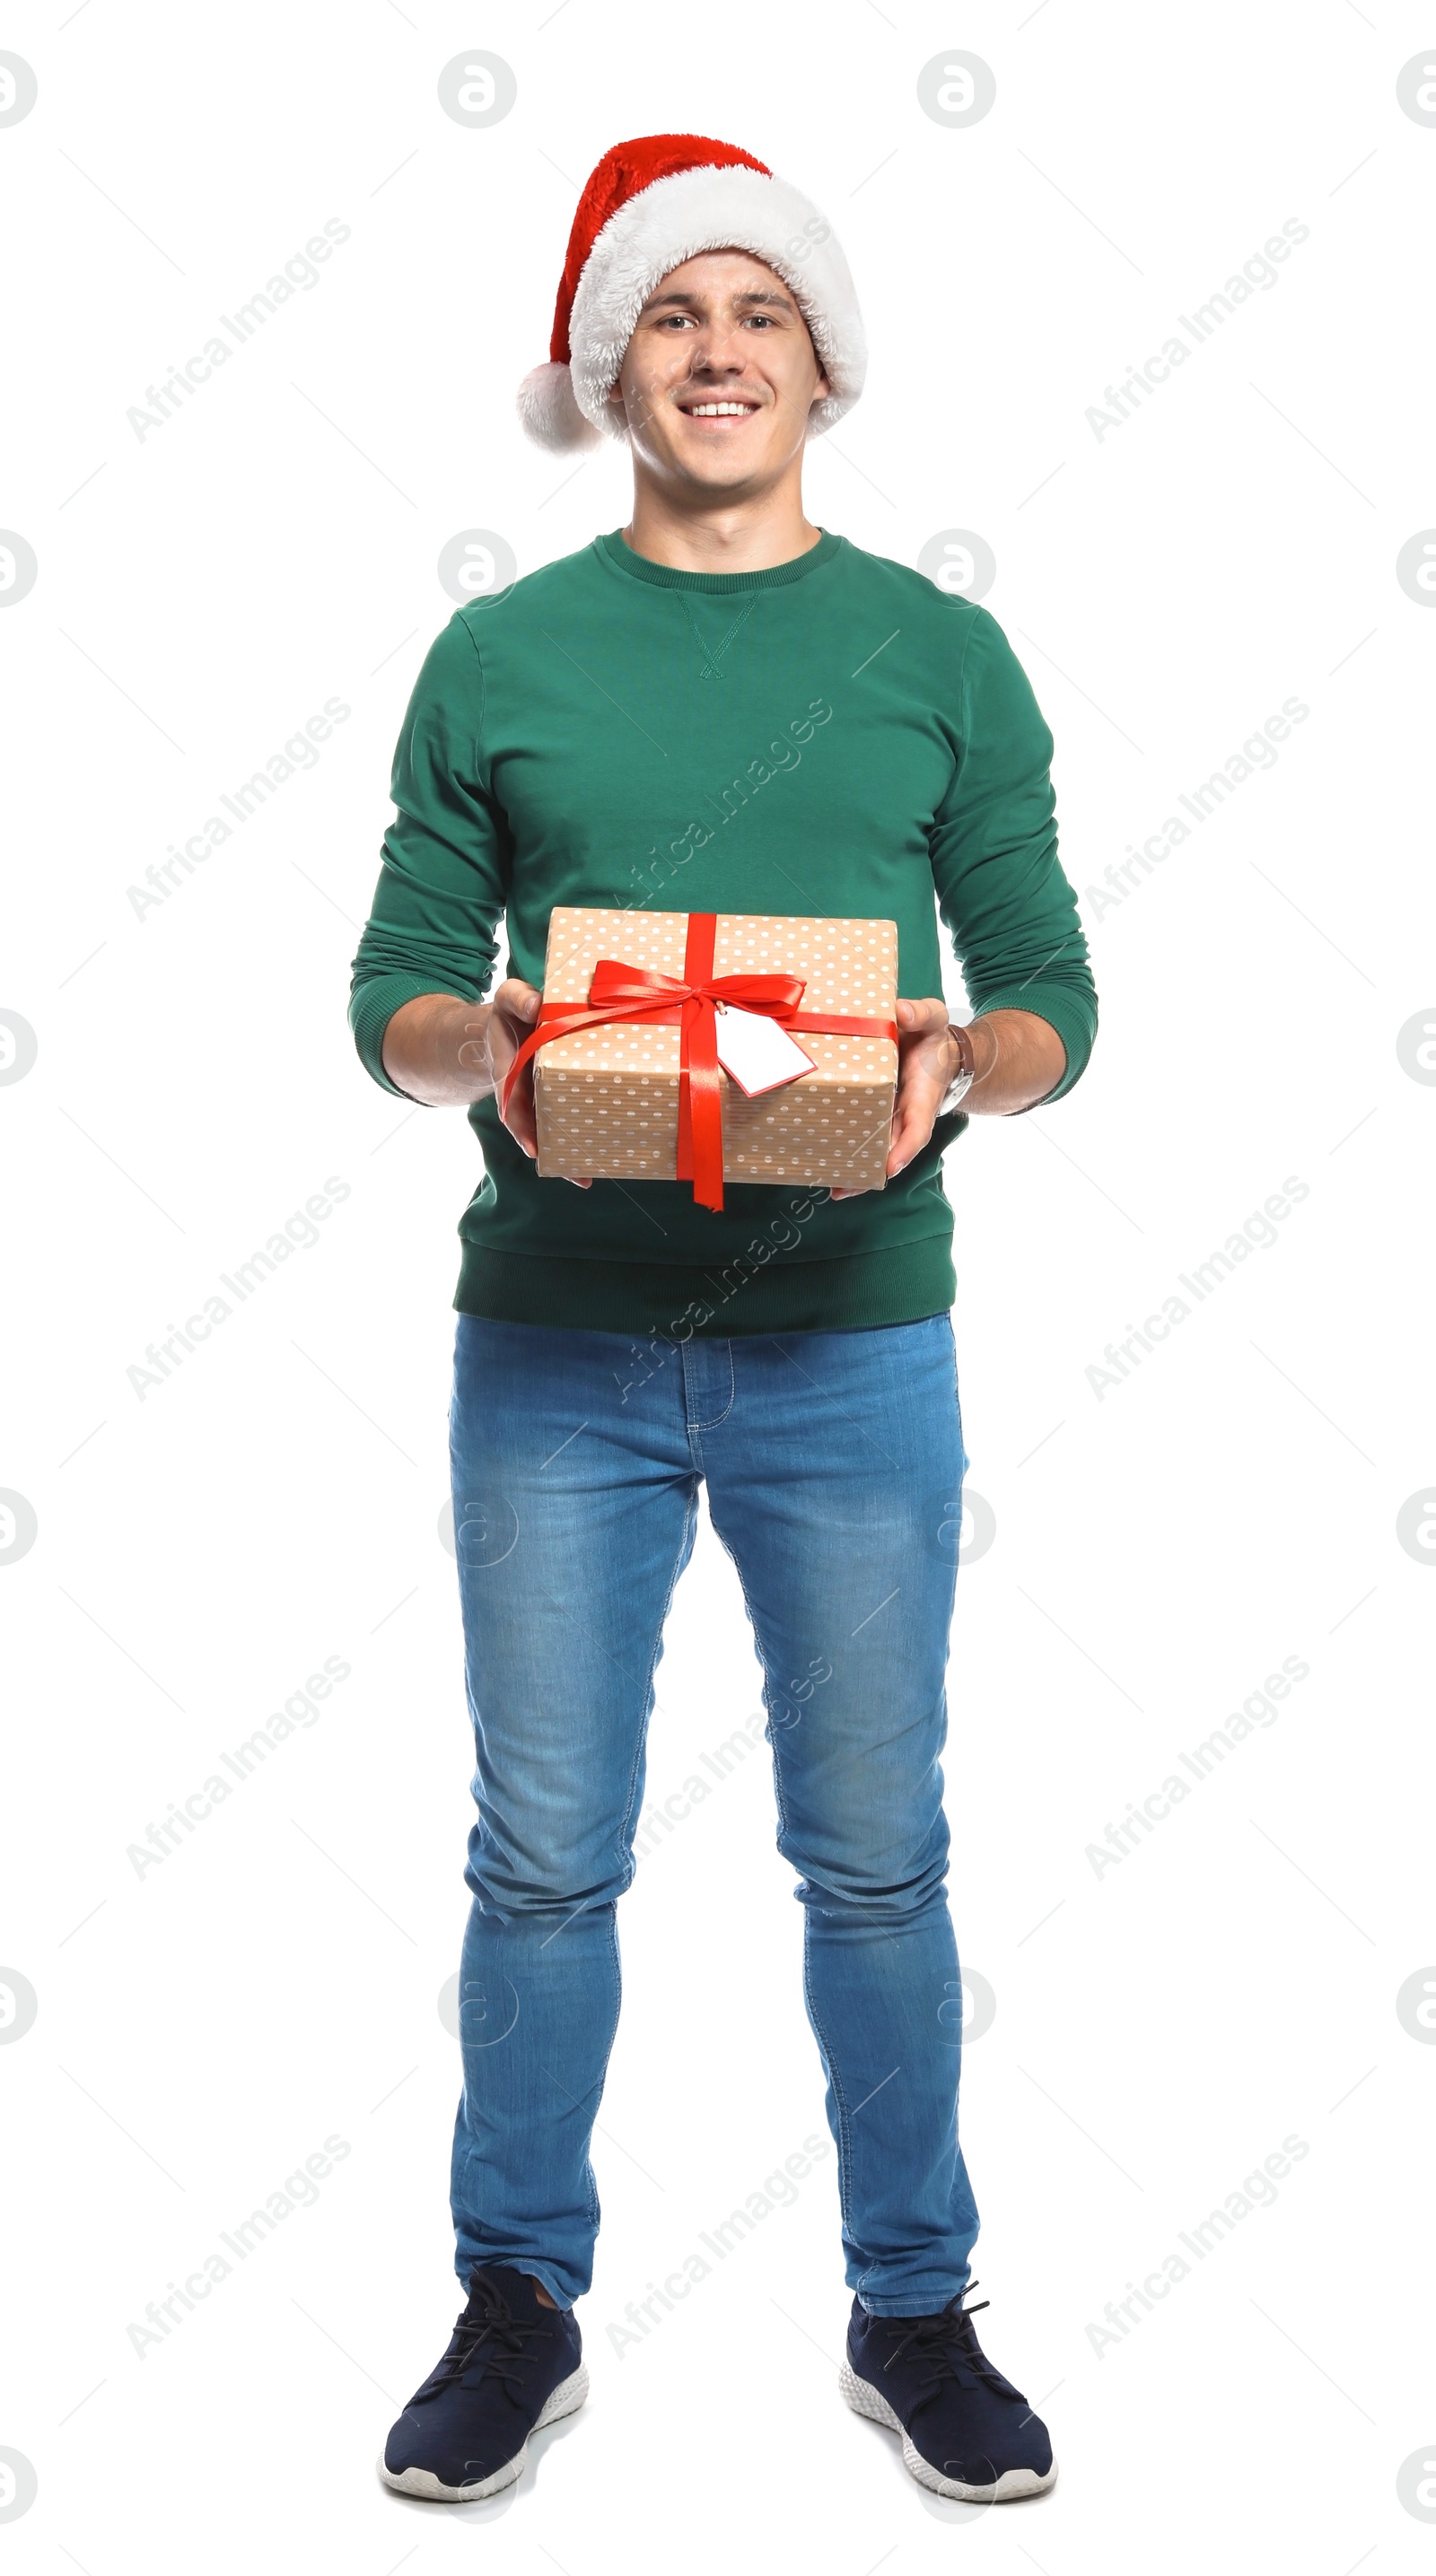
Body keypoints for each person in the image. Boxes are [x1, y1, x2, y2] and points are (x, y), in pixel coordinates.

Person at [350, 132, 1097, 2507]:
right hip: (555, 1343)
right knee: (542, 1857)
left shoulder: (937, 652)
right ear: (613, 368)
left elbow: (1052, 991)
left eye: (759, 312)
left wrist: (941, 1070)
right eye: (674, 316)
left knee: (876, 1852)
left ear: (822, 363)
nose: (717, 352)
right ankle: (513, 2299)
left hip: (851, 1338)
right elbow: (392, 990)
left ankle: (915, 2304)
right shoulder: (498, 655)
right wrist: (486, 1042)